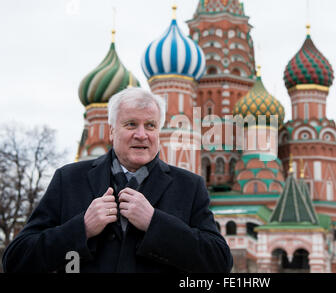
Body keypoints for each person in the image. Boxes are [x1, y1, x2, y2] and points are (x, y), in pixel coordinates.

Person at [2, 87, 233, 273]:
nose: (142, 134)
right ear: (112, 131)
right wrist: (81, 228)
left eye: (150, 125)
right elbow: (17, 260)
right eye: (131, 124)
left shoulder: (189, 186)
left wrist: (155, 223)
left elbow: (219, 262)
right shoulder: (70, 180)